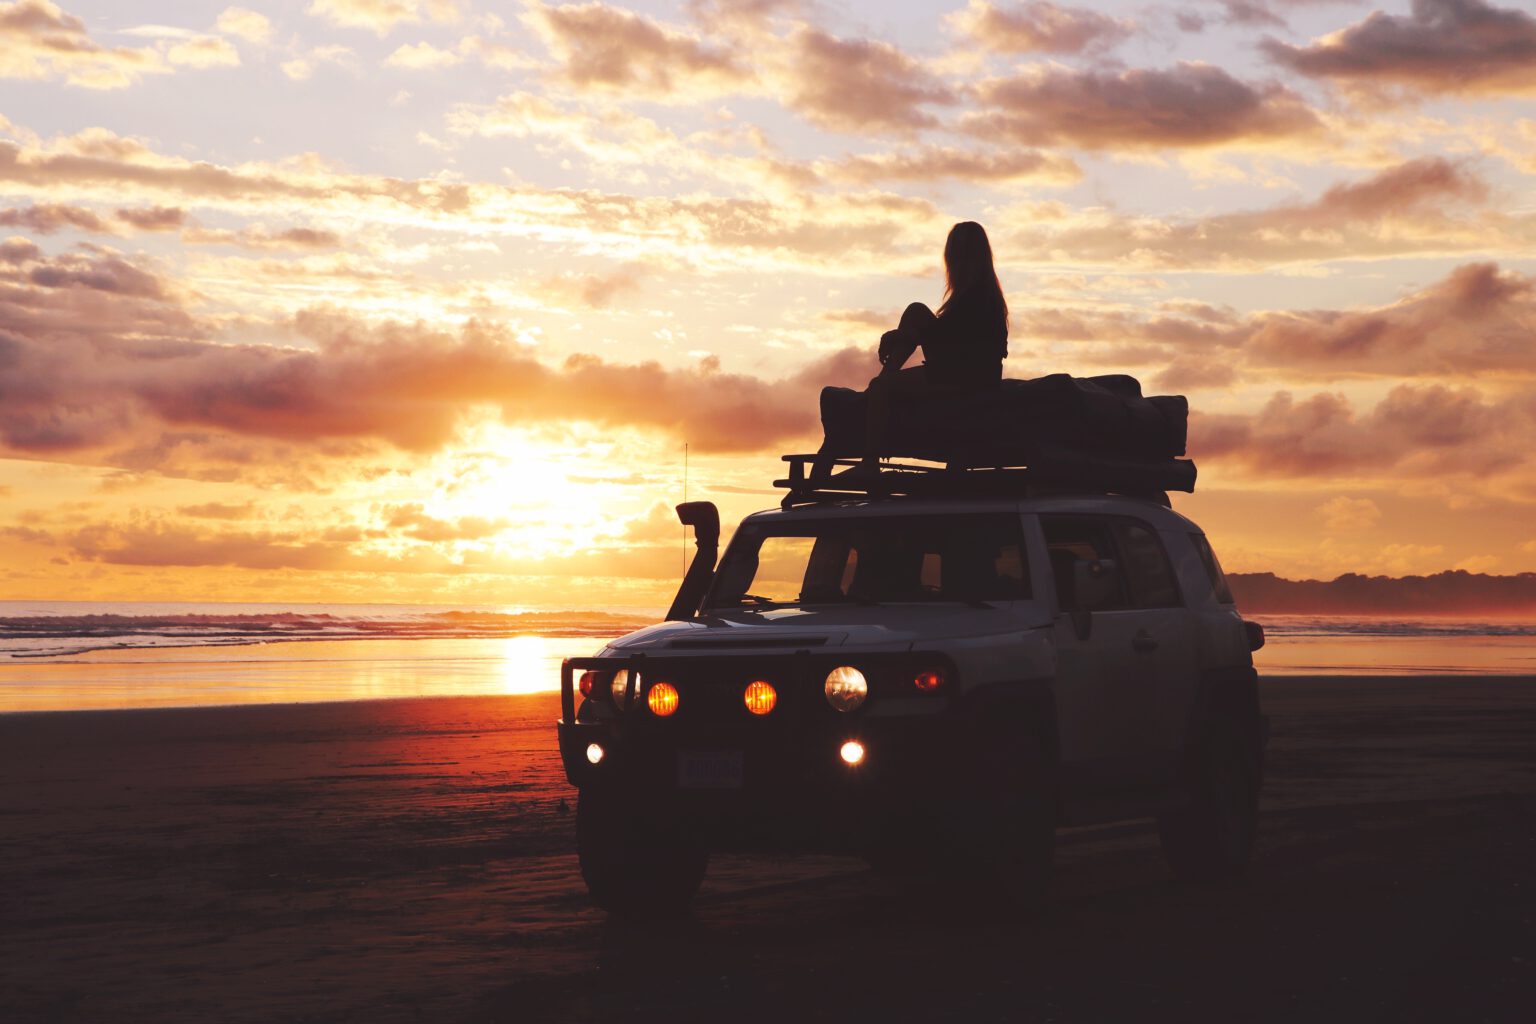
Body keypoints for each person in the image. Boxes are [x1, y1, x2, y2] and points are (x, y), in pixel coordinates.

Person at [831, 221, 1008, 480]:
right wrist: (903, 335)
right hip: (962, 371)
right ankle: (881, 383)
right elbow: (947, 334)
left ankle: (870, 460)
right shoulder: (983, 294)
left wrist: (899, 336)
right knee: (915, 313)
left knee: (882, 386)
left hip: (964, 377)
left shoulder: (977, 296)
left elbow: (951, 337)